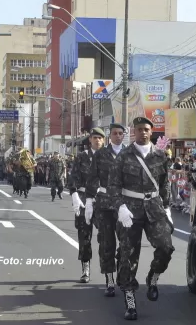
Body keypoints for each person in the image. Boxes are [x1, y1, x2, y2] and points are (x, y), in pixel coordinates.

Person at [108, 117, 174, 320]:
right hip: (130, 210)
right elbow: (113, 186)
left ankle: (153, 278)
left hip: (154, 208)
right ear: (133, 132)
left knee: (166, 247)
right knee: (128, 256)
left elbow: (164, 185)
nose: (143, 132)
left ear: (151, 131)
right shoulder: (124, 156)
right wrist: (120, 208)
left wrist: (167, 207)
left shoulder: (161, 156)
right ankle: (130, 302)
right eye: (139, 129)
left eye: (146, 129)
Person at [85, 123, 128, 297]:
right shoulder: (101, 154)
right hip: (104, 205)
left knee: (126, 244)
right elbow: (92, 177)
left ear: (124, 135)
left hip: (124, 205)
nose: (118, 136)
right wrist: (89, 200)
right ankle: (109, 280)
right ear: (110, 136)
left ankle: (123, 274)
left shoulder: (130, 153)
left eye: (120, 133)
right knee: (106, 243)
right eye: (115, 133)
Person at [69, 127, 106, 283]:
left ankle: (108, 272)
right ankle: (86, 269)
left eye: (100, 138)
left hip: (103, 199)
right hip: (84, 198)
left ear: (104, 140)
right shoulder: (82, 157)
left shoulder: (109, 157)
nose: (97, 140)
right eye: (95, 137)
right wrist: (74, 195)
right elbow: (73, 178)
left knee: (106, 238)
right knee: (84, 236)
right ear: (90, 139)